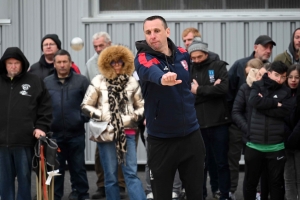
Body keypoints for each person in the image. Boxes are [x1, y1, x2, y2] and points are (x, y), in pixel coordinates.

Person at [134, 15, 205, 200]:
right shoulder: (142, 57)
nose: (152, 36)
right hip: (161, 140)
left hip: (191, 135)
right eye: (148, 32)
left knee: (196, 193)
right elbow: (150, 69)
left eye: (157, 31)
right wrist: (162, 78)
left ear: (167, 32)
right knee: (162, 195)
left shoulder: (182, 53)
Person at [81, 45, 146, 200]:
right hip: (106, 133)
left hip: (128, 133)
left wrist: (128, 118)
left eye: (120, 62)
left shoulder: (131, 82)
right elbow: (85, 105)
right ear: (107, 63)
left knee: (131, 173)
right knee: (110, 176)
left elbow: (142, 107)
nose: (117, 65)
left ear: (125, 63)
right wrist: (103, 115)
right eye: (113, 62)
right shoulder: (98, 81)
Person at [227, 35, 276, 199]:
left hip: (261, 130)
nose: (268, 50)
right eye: (265, 47)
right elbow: (229, 93)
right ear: (256, 47)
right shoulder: (240, 65)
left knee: (259, 163)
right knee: (233, 160)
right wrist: (237, 122)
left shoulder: (272, 70)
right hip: (238, 125)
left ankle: (260, 192)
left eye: (270, 48)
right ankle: (231, 190)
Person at [0, 47, 52, 200]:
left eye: (17, 63)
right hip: (1, 142)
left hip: (24, 140)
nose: (13, 66)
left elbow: (46, 107)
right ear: (4, 64)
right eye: (10, 63)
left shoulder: (34, 81)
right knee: (4, 181)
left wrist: (41, 127)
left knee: (24, 179)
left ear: (23, 64)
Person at [188, 37, 231, 200]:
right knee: (200, 164)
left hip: (219, 122)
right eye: (193, 58)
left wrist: (199, 91)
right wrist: (212, 90)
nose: (196, 60)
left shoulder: (218, 65)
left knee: (221, 162)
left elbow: (224, 89)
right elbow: (187, 95)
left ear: (206, 53)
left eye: (199, 57)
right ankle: (201, 194)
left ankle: (224, 194)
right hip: (197, 125)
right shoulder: (188, 70)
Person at [44, 50, 90, 200]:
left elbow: (90, 103)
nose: (62, 65)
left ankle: (82, 195)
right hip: (54, 136)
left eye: (65, 62)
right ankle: (55, 196)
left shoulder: (81, 81)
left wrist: (81, 118)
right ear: (54, 64)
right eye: (59, 62)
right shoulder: (47, 82)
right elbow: (42, 106)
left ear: (70, 63)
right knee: (55, 170)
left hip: (76, 134)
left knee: (78, 168)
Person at [243, 61, 293, 200]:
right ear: (269, 73)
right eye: (276, 75)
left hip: (276, 146)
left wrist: (263, 104)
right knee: (250, 183)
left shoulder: (286, 91)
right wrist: (275, 103)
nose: (279, 79)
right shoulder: (258, 85)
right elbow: (254, 101)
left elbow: (285, 111)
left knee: (276, 184)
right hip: (254, 145)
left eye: (283, 77)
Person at [283, 64, 300, 200]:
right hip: (285, 143)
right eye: (290, 77)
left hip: (298, 142)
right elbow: (279, 116)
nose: (293, 80)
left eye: (297, 77)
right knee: (288, 178)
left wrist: (293, 137)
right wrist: (287, 138)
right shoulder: (282, 95)